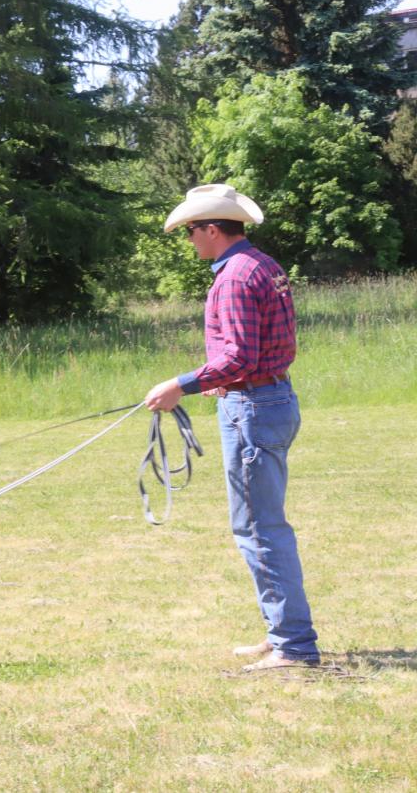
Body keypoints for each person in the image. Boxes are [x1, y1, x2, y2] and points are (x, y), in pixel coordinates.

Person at [143, 184, 319, 672]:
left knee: (259, 529)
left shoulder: (236, 277)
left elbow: (239, 356)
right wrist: (213, 382)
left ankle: (293, 645)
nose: (189, 240)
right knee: (260, 525)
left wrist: (180, 385)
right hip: (267, 399)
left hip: (253, 408)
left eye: (191, 231)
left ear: (212, 229)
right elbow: (254, 351)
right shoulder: (261, 265)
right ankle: (281, 631)